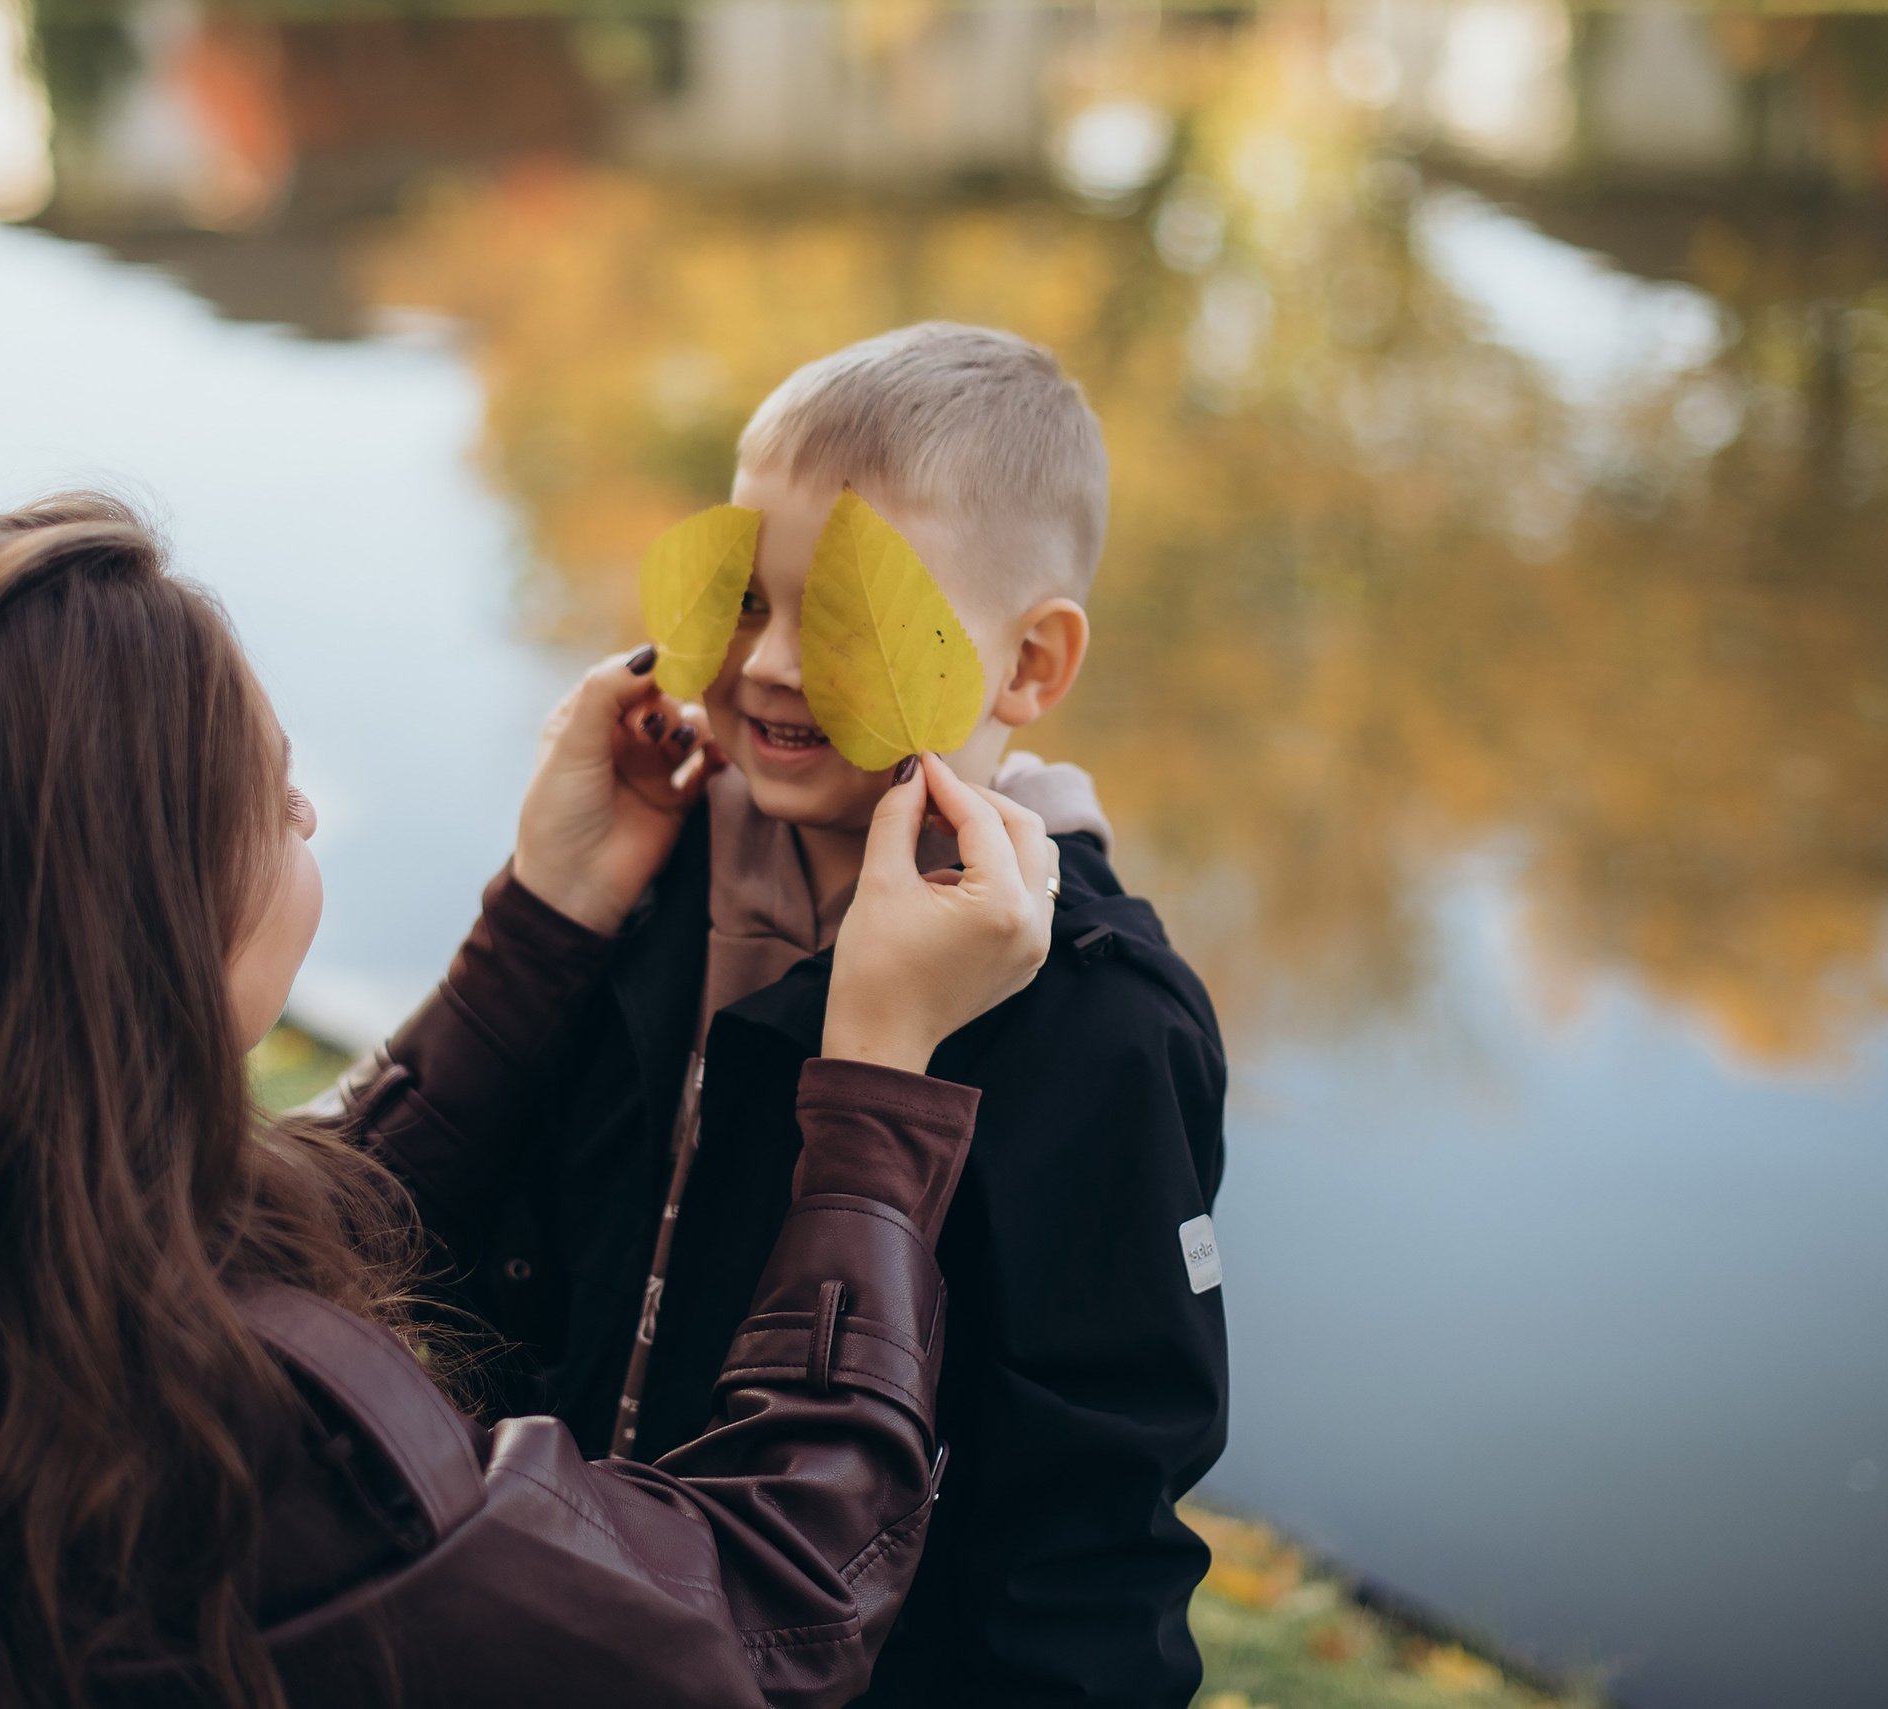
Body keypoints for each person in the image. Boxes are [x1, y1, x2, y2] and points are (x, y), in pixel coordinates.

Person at [0, 494, 1065, 1709]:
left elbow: (212, 1222)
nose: (309, 809)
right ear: (136, 933)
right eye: (270, 796)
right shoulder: (260, 1440)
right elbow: (760, 1614)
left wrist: (543, 917)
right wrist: (873, 1090)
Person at [341, 324, 1230, 1706]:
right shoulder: (646, 882)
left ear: (1032, 665)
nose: (761, 664)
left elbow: (1093, 1517)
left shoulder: (1100, 1028)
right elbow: (465, 1234)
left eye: (848, 613)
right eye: (743, 597)